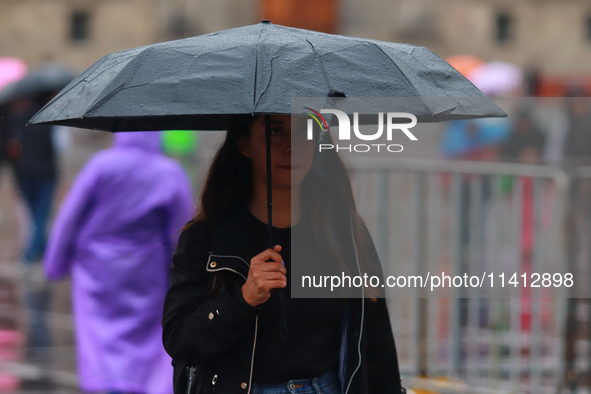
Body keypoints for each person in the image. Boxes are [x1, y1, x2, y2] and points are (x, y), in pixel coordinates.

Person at [162, 114, 405, 394]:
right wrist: (243, 299)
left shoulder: (343, 231)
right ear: (244, 145)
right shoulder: (207, 238)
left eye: (305, 131)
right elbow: (180, 340)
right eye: (275, 132)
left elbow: (376, 340)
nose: (292, 146)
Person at [44, 131, 194, 394]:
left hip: (96, 270)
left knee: (98, 339)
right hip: (147, 270)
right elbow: (182, 231)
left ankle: (105, 384)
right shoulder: (169, 172)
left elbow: (69, 218)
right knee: (146, 343)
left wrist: (55, 264)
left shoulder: (101, 165)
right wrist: (187, 277)